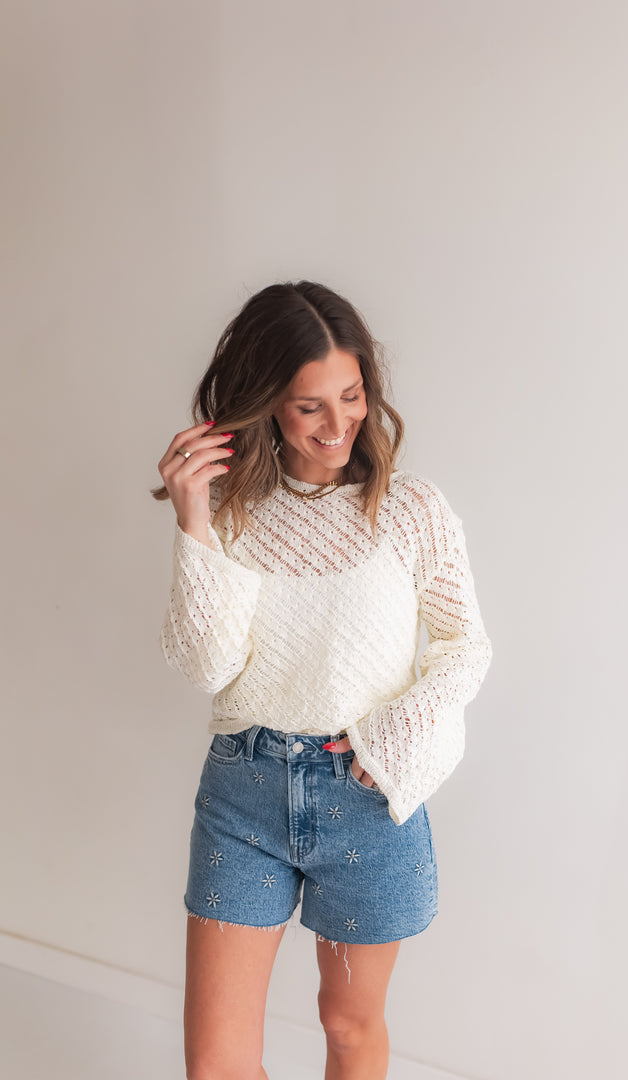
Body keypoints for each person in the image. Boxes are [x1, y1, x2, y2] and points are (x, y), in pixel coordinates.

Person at [153, 280, 492, 1080]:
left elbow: (465, 645)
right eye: (311, 407)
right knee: (216, 1063)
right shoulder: (234, 515)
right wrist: (194, 522)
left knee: (347, 1025)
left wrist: (391, 740)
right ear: (269, 403)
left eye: (352, 395)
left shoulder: (410, 509)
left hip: (369, 797)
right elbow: (208, 666)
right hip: (245, 792)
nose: (341, 424)